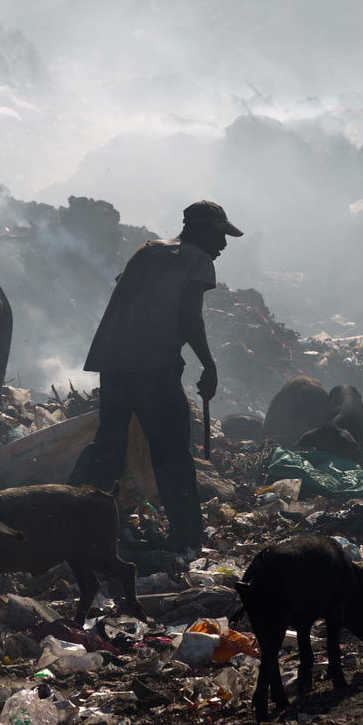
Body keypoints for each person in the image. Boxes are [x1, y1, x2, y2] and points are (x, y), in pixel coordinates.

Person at [68, 200, 242, 552]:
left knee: (108, 446)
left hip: (114, 365)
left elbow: (130, 299)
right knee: (172, 453)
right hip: (153, 370)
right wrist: (208, 365)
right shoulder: (197, 259)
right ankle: (187, 537)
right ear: (201, 230)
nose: (223, 246)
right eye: (220, 236)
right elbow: (190, 317)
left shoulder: (146, 252)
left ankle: (73, 518)